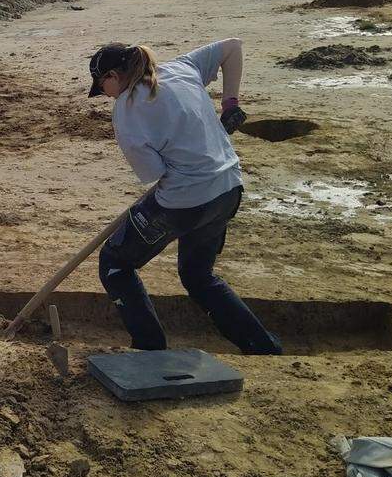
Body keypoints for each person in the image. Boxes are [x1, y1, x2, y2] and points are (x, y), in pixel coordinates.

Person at [87, 39, 281, 354]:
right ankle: (263, 347)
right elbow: (232, 47)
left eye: (101, 87)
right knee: (197, 276)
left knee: (115, 263)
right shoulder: (180, 67)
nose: (104, 95)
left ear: (111, 76)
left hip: (184, 201)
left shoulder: (126, 111)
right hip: (228, 187)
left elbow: (153, 174)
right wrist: (229, 102)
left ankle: (150, 347)